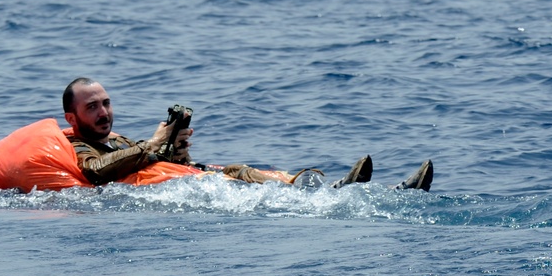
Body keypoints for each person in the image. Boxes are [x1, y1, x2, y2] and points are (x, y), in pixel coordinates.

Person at [62, 77, 433, 190]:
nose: (104, 112)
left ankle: (362, 190)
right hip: (168, 192)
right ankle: (335, 192)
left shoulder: (120, 140)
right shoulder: (75, 146)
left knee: (239, 169)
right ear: (72, 116)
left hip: (184, 179)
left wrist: (175, 149)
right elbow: (96, 171)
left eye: (106, 103)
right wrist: (155, 143)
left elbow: (158, 164)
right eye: (92, 107)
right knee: (237, 177)